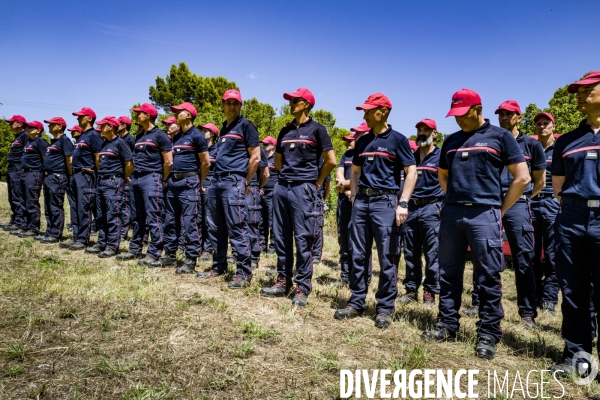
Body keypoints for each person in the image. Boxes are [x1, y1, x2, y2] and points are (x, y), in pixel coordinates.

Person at [419, 89, 529, 360]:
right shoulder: (452, 140)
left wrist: (499, 209)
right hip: (453, 214)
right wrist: (454, 197)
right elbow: (442, 175)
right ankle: (447, 324)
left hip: (485, 214)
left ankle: (489, 333)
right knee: (448, 272)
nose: (459, 121)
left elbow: (523, 177)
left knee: (488, 275)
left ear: (477, 109)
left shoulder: (500, 137)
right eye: (454, 115)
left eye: (463, 115)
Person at [333, 93, 417, 328]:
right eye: (365, 111)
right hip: (362, 203)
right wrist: (356, 196)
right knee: (357, 254)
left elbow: (411, 171)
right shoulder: (362, 142)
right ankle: (356, 301)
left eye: (369, 111)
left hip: (386, 203)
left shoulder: (398, 140)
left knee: (387, 257)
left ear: (384, 111)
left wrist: (403, 202)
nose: (365, 115)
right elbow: (355, 172)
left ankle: (384, 308)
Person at [260, 87, 336, 307]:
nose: (291, 103)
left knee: (303, 239)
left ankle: (302, 288)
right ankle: (282, 281)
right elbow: (277, 161)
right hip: (283, 188)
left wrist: (318, 181)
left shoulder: (317, 130)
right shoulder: (284, 132)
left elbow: (330, 160)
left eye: (295, 100)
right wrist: (286, 175)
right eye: (290, 100)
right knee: (281, 237)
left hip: (304, 189)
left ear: (307, 104)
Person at [550, 71, 600, 375]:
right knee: (573, 291)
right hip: (571, 219)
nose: (579, 96)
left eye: (586, 90)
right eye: (577, 92)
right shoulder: (567, 140)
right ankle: (578, 358)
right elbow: (557, 184)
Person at [198, 89, 260, 289]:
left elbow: (256, 157)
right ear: (223, 105)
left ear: (240, 105)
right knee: (215, 226)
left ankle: (243, 272)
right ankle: (219, 265)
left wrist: (246, 182)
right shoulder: (224, 128)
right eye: (228, 103)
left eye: (236, 103)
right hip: (216, 181)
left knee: (237, 226)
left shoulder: (246, 126)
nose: (232, 106)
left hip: (234, 181)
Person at [152, 102, 209, 272]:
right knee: (170, 220)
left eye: (179, 112)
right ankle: (170, 255)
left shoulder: (197, 136)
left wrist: (198, 180)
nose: (176, 114)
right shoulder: (175, 138)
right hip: (173, 183)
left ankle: (190, 260)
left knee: (191, 221)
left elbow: (205, 162)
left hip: (189, 182)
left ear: (189, 115)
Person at [116, 103, 173, 264]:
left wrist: (161, 180)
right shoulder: (139, 137)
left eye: (139, 113)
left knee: (153, 216)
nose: (137, 115)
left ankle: (154, 252)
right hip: (136, 178)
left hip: (151, 178)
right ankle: (135, 249)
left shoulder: (160, 136)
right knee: (136, 216)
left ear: (148, 115)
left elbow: (168, 162)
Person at [397, 118, 444, 305]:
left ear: (435, 134)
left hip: (432, 209)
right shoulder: (411, 158)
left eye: (427, 130)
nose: (422, 133)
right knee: (410, 251)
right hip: (411, 207)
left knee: (433, 252)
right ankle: (410, 289)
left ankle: (430, 291)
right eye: (419, 130)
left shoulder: (442, 157)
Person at [85, 117, 134, 258]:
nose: (99, 128)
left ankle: (112, 245)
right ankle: (102, 242)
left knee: (113, 214)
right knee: (101, 215)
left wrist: (121, 177)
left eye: (102, 126)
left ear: (111, 127)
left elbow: (129, 163)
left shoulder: (120, 143)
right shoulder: (103, 144)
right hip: (101, 182)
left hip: (113, 182)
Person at [331, 121, 370, 285]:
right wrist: (344, 187)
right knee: (344, 238)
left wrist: (345, 186)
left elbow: (361, 177)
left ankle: (361, 278)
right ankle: (345, 275)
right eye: (355, 134)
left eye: (359, 134)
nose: (354, 137)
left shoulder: (368, 153)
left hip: (360, 200)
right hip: (345, 201)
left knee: (360, 242)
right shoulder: (347, 154)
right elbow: (338, 173)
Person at [60, 107, 103, 250]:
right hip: (76, 174)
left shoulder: (94, 135)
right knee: (75, 206)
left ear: (89, 118)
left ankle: (83, 238)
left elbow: (98, 157)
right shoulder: (82, 136)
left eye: (81, 116)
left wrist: (96, 173)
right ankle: (76, 236)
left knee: (84, 206)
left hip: (86, 175)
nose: (78, 118)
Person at [530, 112, 560, 313]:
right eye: (538, 124)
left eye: (545, 123)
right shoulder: (530, 149)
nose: (542, 127)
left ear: (553, 126)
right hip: (531, 203)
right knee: (530, 253)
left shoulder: (560, 149)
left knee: (552, 253)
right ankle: (535, 294)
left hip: (552, 203)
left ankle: (549, 298)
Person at [38, 117, 73, 243]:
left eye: (52, 125)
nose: (48, 127)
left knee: (55, 205)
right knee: (48, 206)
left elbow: (69, 160)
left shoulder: (65, 140)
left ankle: (56, 233)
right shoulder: (53, 142)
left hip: (57, 176)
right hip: (48, 176)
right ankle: (49, 231)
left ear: (59, 126)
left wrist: (69, 176)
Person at [13, 121, 49, 237]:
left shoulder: (41, 141)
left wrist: (43, 172)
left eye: (31, 127)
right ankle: (25, 226)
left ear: (38, 130)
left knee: (31, 201)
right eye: (28, 127)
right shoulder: (29, 141)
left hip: (34, 173)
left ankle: (33, 228)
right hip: (25, 173)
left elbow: (46, 158)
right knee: (23, 200)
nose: (28, 129)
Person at [2, 115, 28, 232]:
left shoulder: (25, 136)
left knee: (17, 194)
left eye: (12, 122)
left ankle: (20, 221)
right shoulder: (17, 137)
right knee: (12, 195)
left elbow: (28, 153)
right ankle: (15, 218)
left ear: (20, 123)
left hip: (18, 168)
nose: (10, 124)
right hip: (12, 168)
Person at [197, 122, 219, 260]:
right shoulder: (200, 150)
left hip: (211, 186)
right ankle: (198, 246)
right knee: (198, 218)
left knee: (209, 219)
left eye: (205, 130)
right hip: (198, 185)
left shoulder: (218, 149)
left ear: (212, 134)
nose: (202, 132)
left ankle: (208, 248)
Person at [259, 136, 278, 255]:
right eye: (263, 144)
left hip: (273, 193)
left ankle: (273, 246)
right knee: (261, 220)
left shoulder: (278, 159)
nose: (264, 146)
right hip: (261, 192)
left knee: (273, 221)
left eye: (266, 144)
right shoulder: (260, 157)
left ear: (273, 145)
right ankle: (261, 245)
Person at [117, 116, 135, 240]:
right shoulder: (120, 139)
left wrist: (128, 175)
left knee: (126, 206)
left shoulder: (129, 140)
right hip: (121, 177)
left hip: (128, 178)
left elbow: (131, 160)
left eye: (118, 124)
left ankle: (124, 232)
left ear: (124, 125)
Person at [65, 125, 82, 233]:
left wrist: (71, 174)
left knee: (81, 203)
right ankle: (74, 222)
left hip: (79, 176)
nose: (71, 133)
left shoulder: (82, 143)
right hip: (73, 176)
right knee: (73, 202)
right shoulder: (75, 144)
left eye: (74, 131)